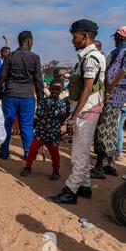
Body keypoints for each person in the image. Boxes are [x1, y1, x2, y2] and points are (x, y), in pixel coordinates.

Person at [48, 19, 106, 205]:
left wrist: (73, 118)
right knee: (83, 150)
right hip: (87, 109)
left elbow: (87, 88)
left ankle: (70, 191)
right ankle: (85, 186)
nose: (73, 41)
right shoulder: (87, 57)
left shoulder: (91, 59)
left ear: (85, 36)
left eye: (75, 37)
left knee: (78, 153)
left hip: (86, 111)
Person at [0, 31, 44, 160]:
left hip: (10, 96)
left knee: (8, 124)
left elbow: (1, 77)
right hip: (27, 97)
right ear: (29, 42)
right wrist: (42, 99)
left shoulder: (10, 56)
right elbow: (38, 80)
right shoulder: (35, 57)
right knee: (27, 126)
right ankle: (28, 154)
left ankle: (4, 152)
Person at [90, 26, 126, 178]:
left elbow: (122, 71)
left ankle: (99, 167)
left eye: (115, 37)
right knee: (111, 129)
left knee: (102, 130)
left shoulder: (123, 51)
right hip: (118, 97)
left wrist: (109, 89)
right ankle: (110, 164)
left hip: (112, 95)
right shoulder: (119, 51)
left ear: (120, 37)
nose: (114, 40)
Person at [20, 79, 67, 180]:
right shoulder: (43, 101)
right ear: (49, 89)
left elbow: (62, 120)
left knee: (55, 154)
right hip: (41, 132)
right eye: (53, 89)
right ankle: (28, 167)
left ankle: (56, 171)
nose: (55, 91)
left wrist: (64, 116)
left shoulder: (62, 103)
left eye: (57, 89)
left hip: (53, 134)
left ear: (61, 90)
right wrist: (45, 112)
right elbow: (38, 115)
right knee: (32, 151)